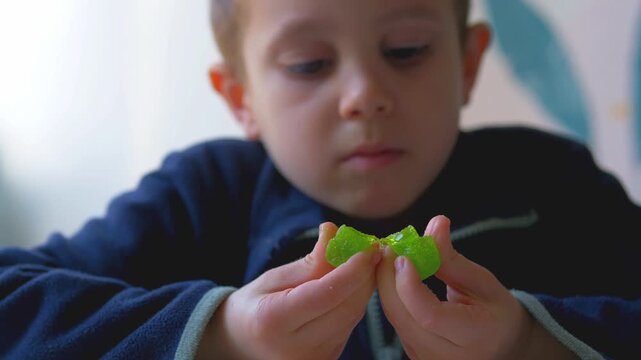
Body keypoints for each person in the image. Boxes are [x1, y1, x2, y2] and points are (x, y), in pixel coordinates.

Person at [1, 0, 640, 358]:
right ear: (241, 97)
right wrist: (222, 337)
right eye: (309, 64)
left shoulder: (553, 183)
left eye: (407, 50)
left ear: (468, 64)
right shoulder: (206, 195)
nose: (363, 96)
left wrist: (530, 342)